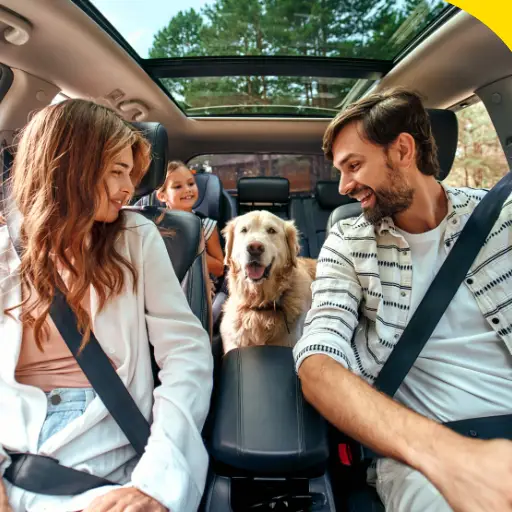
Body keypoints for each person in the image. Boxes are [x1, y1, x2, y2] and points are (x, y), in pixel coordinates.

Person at [293, 89, 512, 511]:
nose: (343, 186)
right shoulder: (347, 241)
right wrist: (449, 457)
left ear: (403, 150)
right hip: (421, 457)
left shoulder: (502, 218)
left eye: (354, 165)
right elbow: (318, 362)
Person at [0, 99, 213, 512]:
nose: (129, 189)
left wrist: (157, 481)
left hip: (103, 453)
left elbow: (185, 353)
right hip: (12, 448)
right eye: (117, 171)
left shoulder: (135, 236)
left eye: (131, 174)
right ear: (68, 164)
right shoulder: (4, 251)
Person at [155, 162, 225, 289]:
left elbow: (219, 269)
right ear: (162, 196)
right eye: (177, 186)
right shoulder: (155, 226)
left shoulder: (206, 225)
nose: (187, 189)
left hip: (199, 286)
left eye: (191, 184)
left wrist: (191, 251)